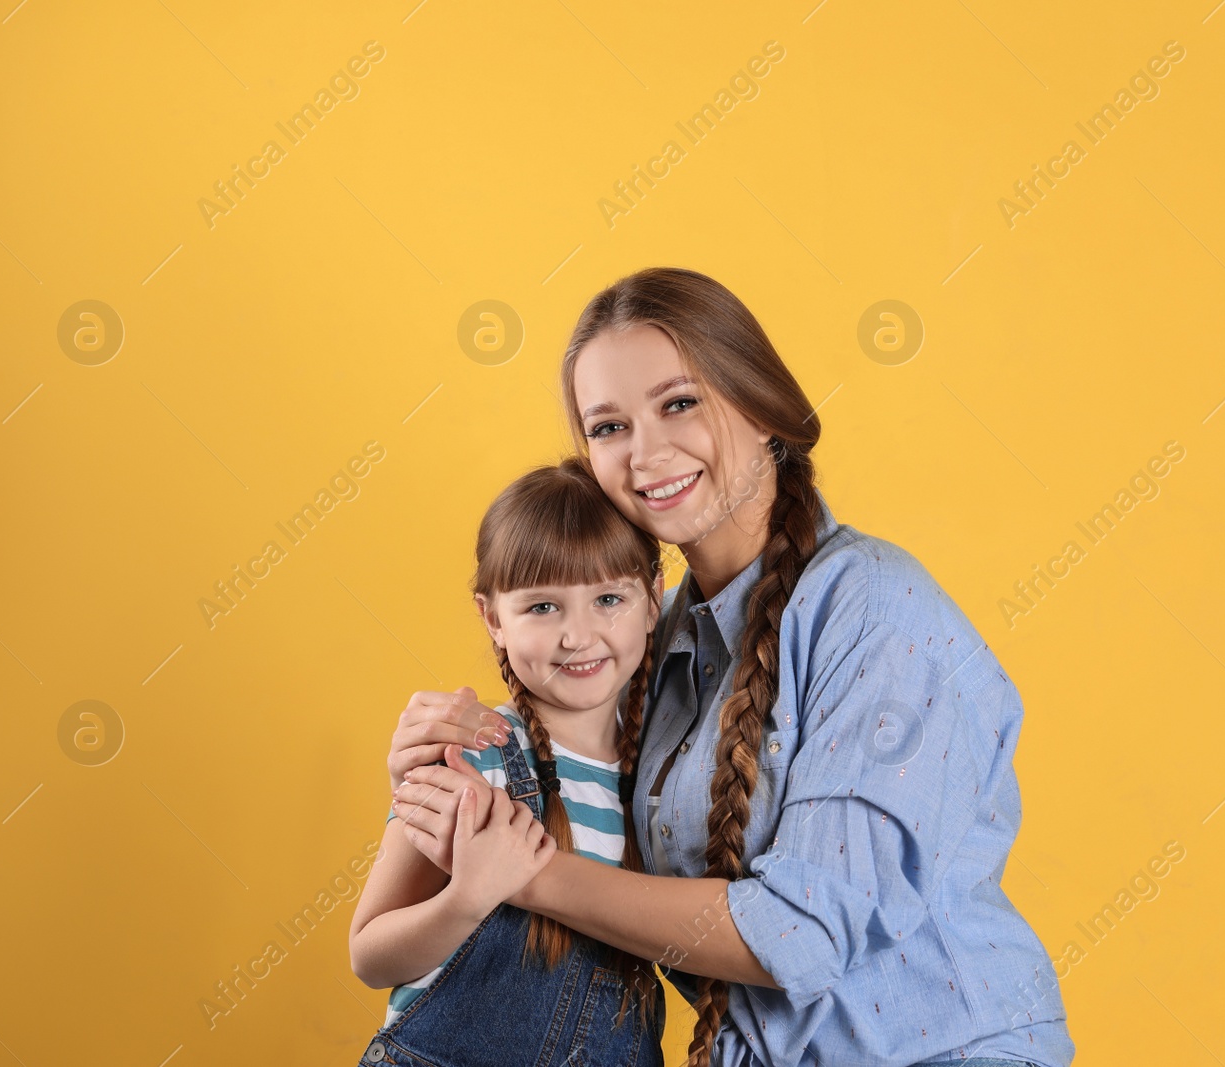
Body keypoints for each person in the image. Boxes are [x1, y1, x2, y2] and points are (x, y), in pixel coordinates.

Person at [389, 267, 1076, 1066]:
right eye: (608, 427)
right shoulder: (656, 636)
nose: (646, 453)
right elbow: (585, 802)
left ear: (761, 406)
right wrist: (439, 769)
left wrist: (526, 873)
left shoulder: (874, 609)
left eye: (678, 403)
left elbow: (805, 934)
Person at [349, 458, 667, 1067]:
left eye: (608, 598)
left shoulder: (663, 777)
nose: (578, 635)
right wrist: (466, 898)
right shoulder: (476, 754)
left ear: (653, 598)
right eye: (543, 607)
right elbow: (370, 954)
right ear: (493, 618)